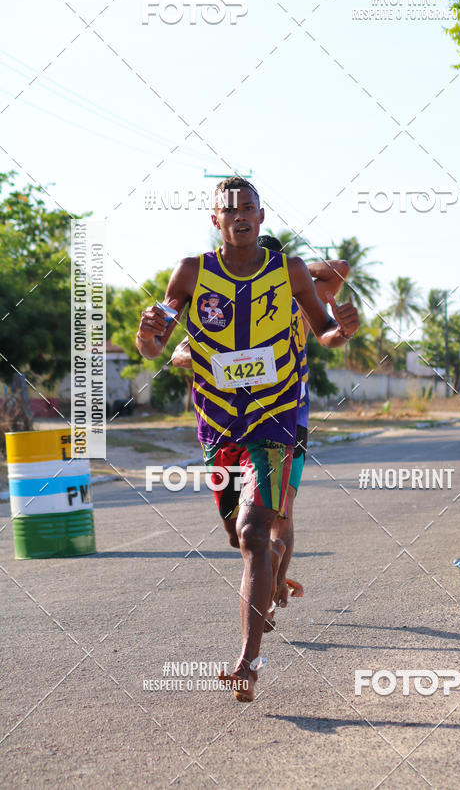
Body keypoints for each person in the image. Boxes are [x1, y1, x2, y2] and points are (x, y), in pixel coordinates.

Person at [136, 177, 358, 701]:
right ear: (216, 219)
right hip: (218, 424)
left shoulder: (291, 271)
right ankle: (274, 578)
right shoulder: (191, 272)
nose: (238, 215)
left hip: (278, 416)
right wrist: (148, 332)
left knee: (258, 532)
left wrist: (342, 330)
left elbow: (322, 330)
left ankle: (247, 660)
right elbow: (154, 347)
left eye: (248, 208)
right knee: (239, 539)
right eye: (228, 208)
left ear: (261, 217)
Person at [256, 235, 350, 614]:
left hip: (251, 418)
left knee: (254, 514)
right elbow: (338, 270)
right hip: (292, 415)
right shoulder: (299, 299)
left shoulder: (252, 303)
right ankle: (276, 581)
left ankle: (267, 582)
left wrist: (277, 269)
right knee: (284, 510)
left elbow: (340, 270)